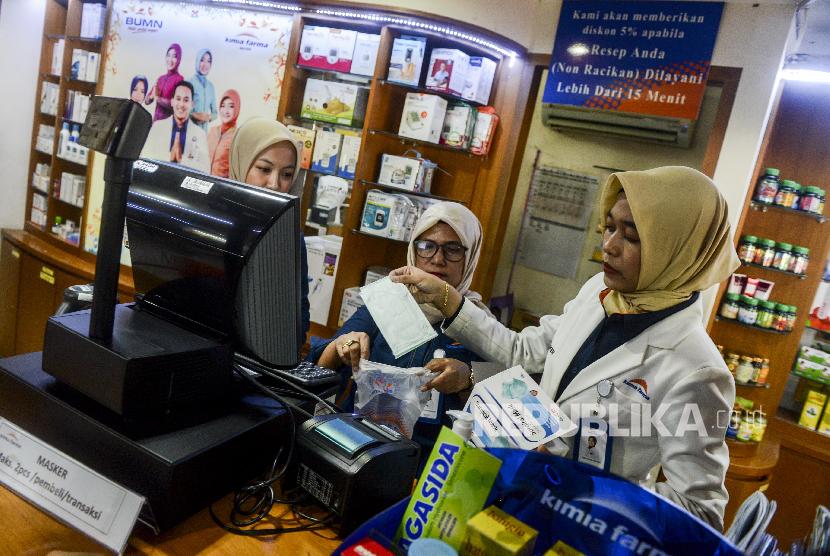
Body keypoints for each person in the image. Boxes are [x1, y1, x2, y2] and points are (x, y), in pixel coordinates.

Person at [391, 166, 740, 530]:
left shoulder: (696, 369)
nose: (608, 245)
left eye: (631, 236)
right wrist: (447, 298)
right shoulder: (598, 292)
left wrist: (575, 485)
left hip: (580, 531)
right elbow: (522, 352)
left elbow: (700, 513)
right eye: (609, 226)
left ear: (677, 248)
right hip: (515, 497)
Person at [308, 202, 492, 449]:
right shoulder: (388, 301)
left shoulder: (481, 322)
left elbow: (501, 406)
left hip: (430, 465)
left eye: (453, 249)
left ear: (470, 257)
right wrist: (342, 346)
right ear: (413, 251)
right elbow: (320, 367)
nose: (437, 260)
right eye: (427, 246)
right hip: (359, 446)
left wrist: (467, 378)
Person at [228, 117, 310, 337]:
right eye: (264, 169)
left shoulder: (290, 237)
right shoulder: (213, 220)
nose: (274, 184)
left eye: (286, 174)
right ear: (241, 162)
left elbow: (299, 319)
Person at [142, 81, 210, 173]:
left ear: (192, 104)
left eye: (186, 100)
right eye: (178, 99)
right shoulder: (158, 127)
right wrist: (169, 157)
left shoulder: (200, 134)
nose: (181, 104)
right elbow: (144, 158)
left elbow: (206, 169)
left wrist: (181, 160)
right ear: (172, 102)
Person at [145, 43, 184, 122]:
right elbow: (147, 101)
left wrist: (158, 99)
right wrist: (151, 97)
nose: (170, 59)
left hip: (168, 124)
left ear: (179, 59)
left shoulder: (179, 79)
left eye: (174, 56)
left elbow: (176, 104)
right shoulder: (160, 79)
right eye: (168, 55)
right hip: (155, 122)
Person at [207, 89, 240, 178]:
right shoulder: (212, 131)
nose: (226, 111)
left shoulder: (238, 137)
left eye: (231, 106)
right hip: (204, 182)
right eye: (223, 106)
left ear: (237, 108)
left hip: (222, 187)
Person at [189, 48, 217, 131]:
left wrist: (208, 117)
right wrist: (194, 115)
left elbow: (215, 113)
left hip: (203, 133)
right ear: (197, 61)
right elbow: (181, 109)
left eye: (209, 61)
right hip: (189, 130)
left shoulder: (211, 87)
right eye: (202, 60)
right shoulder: (189, 82)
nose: (205, 64)